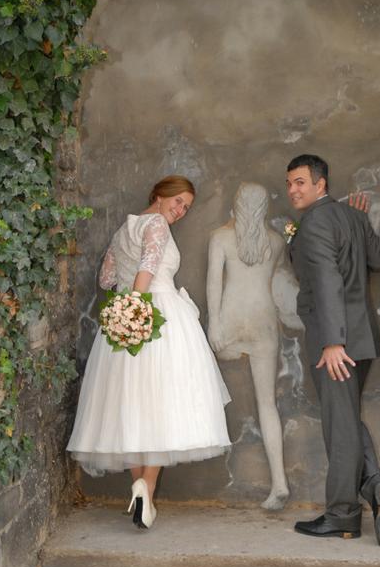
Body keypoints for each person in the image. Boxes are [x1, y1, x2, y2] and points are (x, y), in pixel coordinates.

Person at [67, 176, 231, 529]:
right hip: (155, 315)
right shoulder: (156, 223)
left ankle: (139, 486)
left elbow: (106, 279)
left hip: (124, 318)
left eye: (186, 207)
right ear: (159, 195)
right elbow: (149, 265)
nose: (181, 210)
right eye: (178, 201)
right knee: (161, 400)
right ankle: (147, 487)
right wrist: (137, 305)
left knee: (132, 403)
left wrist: (124, 304)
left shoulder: (122, 230)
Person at [286, 154, 380, 546]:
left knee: (340, 428)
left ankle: (342, 515)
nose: (292, 190)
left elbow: (327, 279)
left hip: (336, 345)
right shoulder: (352, 217)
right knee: (347, 420)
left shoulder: (315, 222)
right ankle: (376, 486)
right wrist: (361, 225)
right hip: (362, 341)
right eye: (289, 183)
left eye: (300, 182)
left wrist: (332, 342)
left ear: (321, 184)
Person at [207, 183, 290, 510]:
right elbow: (279, 284)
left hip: (231, 320)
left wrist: (214, 323)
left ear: (237, 204)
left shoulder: (220, 237)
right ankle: (279, 482)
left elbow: (214, 282)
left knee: (209, 383)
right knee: (267, 404)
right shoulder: (276, 241)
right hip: (264, 323)